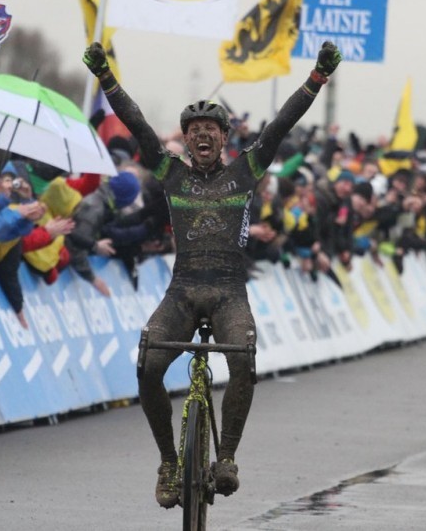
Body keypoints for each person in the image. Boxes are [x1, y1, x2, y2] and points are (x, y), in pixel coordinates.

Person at [83, 39, 342, 508]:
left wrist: (317, 78)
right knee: (147, 367)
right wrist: (105, 77)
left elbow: (282, 123)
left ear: (224, 138)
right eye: (194, 129)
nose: (202, 135)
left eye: (211, 129)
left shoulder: (246, 171)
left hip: (228, 294)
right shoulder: (169, 172)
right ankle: (168, 463)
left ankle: (226, 458)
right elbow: (138, 124)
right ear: (185, 139)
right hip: (181, 293)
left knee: (243, 358)